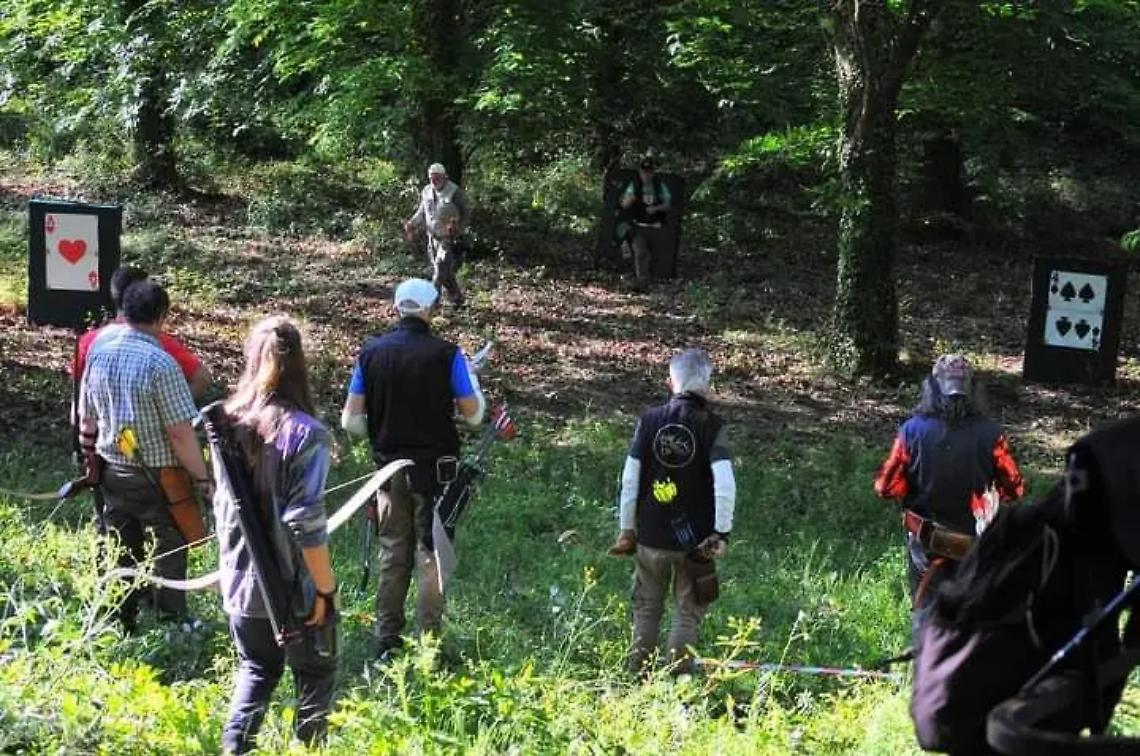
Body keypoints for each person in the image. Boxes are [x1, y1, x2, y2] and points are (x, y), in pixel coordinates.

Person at [340, 278, 485, 659]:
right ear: (432, 309)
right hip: (435, 474)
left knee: (392, 553)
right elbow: (473, 417)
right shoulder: (447, 354)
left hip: (388, 472)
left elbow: (350, 421)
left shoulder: (370, 353)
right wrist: (473, 381)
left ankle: (386, 640)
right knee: (431, 555)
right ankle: (428, 645)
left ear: (396, 307)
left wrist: (383, 430)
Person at [214, 316, 337, 754]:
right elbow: (305, 521)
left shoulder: (228, 422)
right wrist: (326, 590)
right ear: (300, 365)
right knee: (315, 676)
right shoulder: (307, 432)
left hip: (239, 586)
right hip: (292, 589)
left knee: (258, 668)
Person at [77, 279, 212, 629]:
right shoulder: (161, 363)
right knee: (171, 542)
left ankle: (120, 616)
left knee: (121, 544)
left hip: (112, 470)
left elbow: (86, 415)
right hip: (160, 475)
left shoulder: (98, 350)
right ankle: (171, 620)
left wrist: (89, 458)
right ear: (162, 316)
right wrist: (202, 478)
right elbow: (180, 432)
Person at [608, 348, 736, 674]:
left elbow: (630, 479)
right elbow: (724, 484)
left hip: (651, 536)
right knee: (688, 612)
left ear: (670, 383)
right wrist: (720, 533)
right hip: (696, 543)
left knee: (647, 608)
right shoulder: (714, 426)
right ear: (707, 386)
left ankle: (637, 676)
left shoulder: (648, 421)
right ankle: (676, 684)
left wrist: (627, 529)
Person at [874, 354, 1025, 615]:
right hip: (975, 545)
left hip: (926, 545)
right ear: (974, 391)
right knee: (972, 618)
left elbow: (886, 488)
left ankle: (928, 651)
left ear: (931, 388)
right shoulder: (992, 434)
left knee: (926, 618)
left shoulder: (911, 431)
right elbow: (1014, 489)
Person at [72, 265, 212, 402]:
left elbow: (78, 387)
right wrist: (171, 406)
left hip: (100, 422)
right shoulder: (160, 342)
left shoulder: (88, 341)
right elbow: (202, 378)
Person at [403, 163, 472, 307]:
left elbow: (466, 213)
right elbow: (422, 212)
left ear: (444, 176)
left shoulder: (455, 192)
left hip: (447, 238)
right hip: (432, 237)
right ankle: (457, 299)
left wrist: (458, 229)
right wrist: (412, 224)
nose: (434, 181)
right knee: (444, 272)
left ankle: (431, 303)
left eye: (437, 178)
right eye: (431, 178)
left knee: (440, 270)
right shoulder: (426, 191)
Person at [617, 158, 672, 292]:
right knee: (640, 251)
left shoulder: (659, 186)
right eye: (643, 172)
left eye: (649, 172)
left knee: (653, 254)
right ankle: (641, 282)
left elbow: (668, 204)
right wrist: (630, 200)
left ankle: (649, 279)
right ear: (640, 173)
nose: (646, 175)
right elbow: (624, 204)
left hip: (656, 226)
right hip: (638, 225)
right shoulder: (634, 185)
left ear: (653, 173)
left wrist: (656, 208)